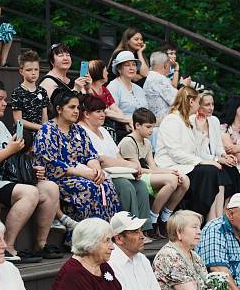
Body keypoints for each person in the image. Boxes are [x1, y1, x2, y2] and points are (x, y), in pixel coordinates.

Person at [0, 80, 62, 262]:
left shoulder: (0, 125)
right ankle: (7, 246)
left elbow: (11, 158)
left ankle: (41, 244)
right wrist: (9, 150)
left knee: (50, 188)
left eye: (5, 99)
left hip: (2, 180)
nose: (5, 103)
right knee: (30, 192)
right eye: (0, 99)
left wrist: (31, 170)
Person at [33, 89, 121, 230]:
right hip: (59, 178)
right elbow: (50, 163)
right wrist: (83, 173)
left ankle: (106, 231)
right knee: (89, 187)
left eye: (78, 108)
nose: (76, 111)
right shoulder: (47, 131)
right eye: (72, 107)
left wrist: (96, 169)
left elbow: (90, 155)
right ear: (59, 109)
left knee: (106, 184)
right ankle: (85, 233)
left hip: (82, 173)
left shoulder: (79, 130)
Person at [78, 95, 152, 238]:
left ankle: (142, 230)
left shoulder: (104, 130)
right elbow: (102, 160)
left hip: (117, 172)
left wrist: (131, 169)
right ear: (86, 114)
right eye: (98, 111)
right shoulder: (82, 131)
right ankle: (128, 231)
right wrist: (130, 164)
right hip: (101, 174)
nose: (103, 114)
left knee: (141, 186)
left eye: (103, 111)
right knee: (125, 186)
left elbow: (117, 155)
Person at [154, 87, 225, 220]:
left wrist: (199, 130)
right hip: (170, 164)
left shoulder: (184, 120)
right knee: (210, 171)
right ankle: (198, 214)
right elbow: (175, 152)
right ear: (191, 102)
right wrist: (202, 161)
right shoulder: (172, 119)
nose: (199, 105)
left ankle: (214, 217)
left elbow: (195, 150)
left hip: (184, 164)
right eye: (198, 102)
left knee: (216, 170)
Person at [118, 108, 189, 237]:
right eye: (148, 127)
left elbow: (153, 167)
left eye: (153, 127)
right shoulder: (128, 142)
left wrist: (171, 171)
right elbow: (136, 169)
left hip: (146, 174)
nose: (151, 130)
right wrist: (167, 174)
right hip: (134, 177)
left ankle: (165, 217)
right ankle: (153, 218)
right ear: (137, 125)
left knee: (184, 180)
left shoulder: (147, 142)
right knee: (171, 180)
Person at [192, 91, 240, 198]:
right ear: (198, 106)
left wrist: (225, 155)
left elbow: (218, 146)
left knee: (231, 167)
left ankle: (239, 200)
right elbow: (197, 152)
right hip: (200, 161)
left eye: (212, 104)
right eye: (207, 105)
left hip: (214, 160)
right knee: (222, 170)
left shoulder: (214, 120)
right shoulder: (192, 121)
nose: (211, 108)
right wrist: (218, 159)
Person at [87, 58, 133, 134]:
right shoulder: (89, 90)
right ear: (99, 72)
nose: (107, 73)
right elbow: (105, 112)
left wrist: (126, 122)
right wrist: (128, 120)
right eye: (105, 71)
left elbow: (115, 108)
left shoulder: (104, 89)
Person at [10, 49, 50, 132]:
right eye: (29, 70)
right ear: (21, 71)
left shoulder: (42, 91)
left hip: (40, 133)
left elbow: (44, 117)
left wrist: (45, 131)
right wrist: (40, 128)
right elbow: (18, 120)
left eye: (36, 69)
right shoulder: (17, 92)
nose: (33, 73)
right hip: (24, 133)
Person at [107, 51, 149, 118]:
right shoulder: (113, 86)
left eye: (134, 65)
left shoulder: (139, 89)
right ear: (119, 69)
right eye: (127, 65)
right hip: (122, 124)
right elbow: (111, 112)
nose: (131, 68)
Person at [143, 51, 180, 124]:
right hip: (165, 123)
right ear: (165, 65)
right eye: (169, 65)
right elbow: (178, 100)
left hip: (156, 121)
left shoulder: (150, 77)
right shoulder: (159, 79)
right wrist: (184, 86)